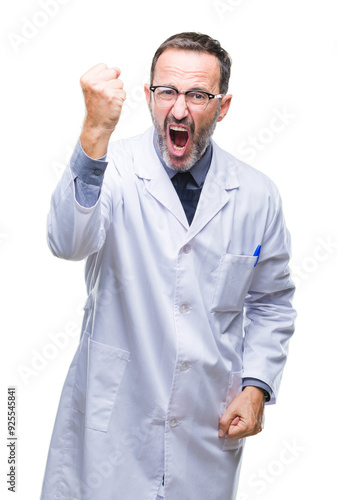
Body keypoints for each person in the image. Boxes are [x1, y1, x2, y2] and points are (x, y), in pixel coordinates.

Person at [40, 32, 296, 500]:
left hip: (205, 425)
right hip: (113, 420)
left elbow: (273, 302)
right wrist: (94, 131)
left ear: (223, 106)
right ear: (148, 96)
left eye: (198, 95)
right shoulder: (110, 169)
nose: (179, 110)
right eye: (167, 92)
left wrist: (257, 386)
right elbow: (66, 241)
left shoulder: (256, 194)